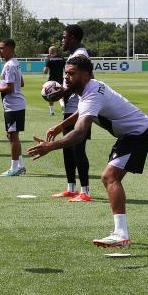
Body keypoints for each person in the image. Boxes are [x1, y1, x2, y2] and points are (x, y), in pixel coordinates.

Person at [28, 55, 148, 248]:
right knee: (110, 178)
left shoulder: (92, 93)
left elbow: (80, 134)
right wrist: (60, 126)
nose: (66, 77)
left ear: (86, 75)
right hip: (131, 135)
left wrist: (50, 146)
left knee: (110, 177)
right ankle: (120, 234)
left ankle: (121, 235)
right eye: (65, 73)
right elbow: (83, 111)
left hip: (139, 134)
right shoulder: (89, 89)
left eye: (71, 74)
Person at [49, 25, 92, 202]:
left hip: (80, 108)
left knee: (78, 149)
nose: (62, 40)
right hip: (71, 108)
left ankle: (85, 192)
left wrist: (61, 93)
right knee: (67, 148)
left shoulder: (80, 55)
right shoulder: (75, 55)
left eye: (64, 37)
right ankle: (71, 188)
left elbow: (88, 80)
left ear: (73, 37)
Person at [0, 38, 26, 176]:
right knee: (11, 135)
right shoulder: (15, 63)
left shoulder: (9, 65)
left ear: (10, 49)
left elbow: (9, 88)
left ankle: (14, 168)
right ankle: (20, 165)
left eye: (2, 48)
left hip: (14, 105)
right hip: (14, 105)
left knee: (13, 136)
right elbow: (20, 83)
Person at [42, 45, 66, 117]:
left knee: (50, 95)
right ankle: (63, 106)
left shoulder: (49, 59)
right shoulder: (62, 58)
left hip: (51, 80)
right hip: (60, 79)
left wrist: (44, 68)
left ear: (50, 51)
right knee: (61, 95)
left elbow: (45, 71)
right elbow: (66, 68)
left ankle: (51, 111)